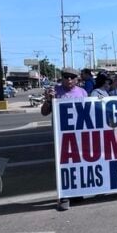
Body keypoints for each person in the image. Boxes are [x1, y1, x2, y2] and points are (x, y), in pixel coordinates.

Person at [41, 68, 88, 210]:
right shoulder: (54, 91)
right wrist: (49, 100)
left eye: (72, 77)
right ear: (62, 78)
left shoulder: (83, 92)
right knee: (63, 166)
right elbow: (44, 112)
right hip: (62, 137)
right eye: (66, 77)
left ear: (77, 79)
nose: (69, 80)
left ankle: (77, 192)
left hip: (79, 135)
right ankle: (64, 196)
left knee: (79, 164)